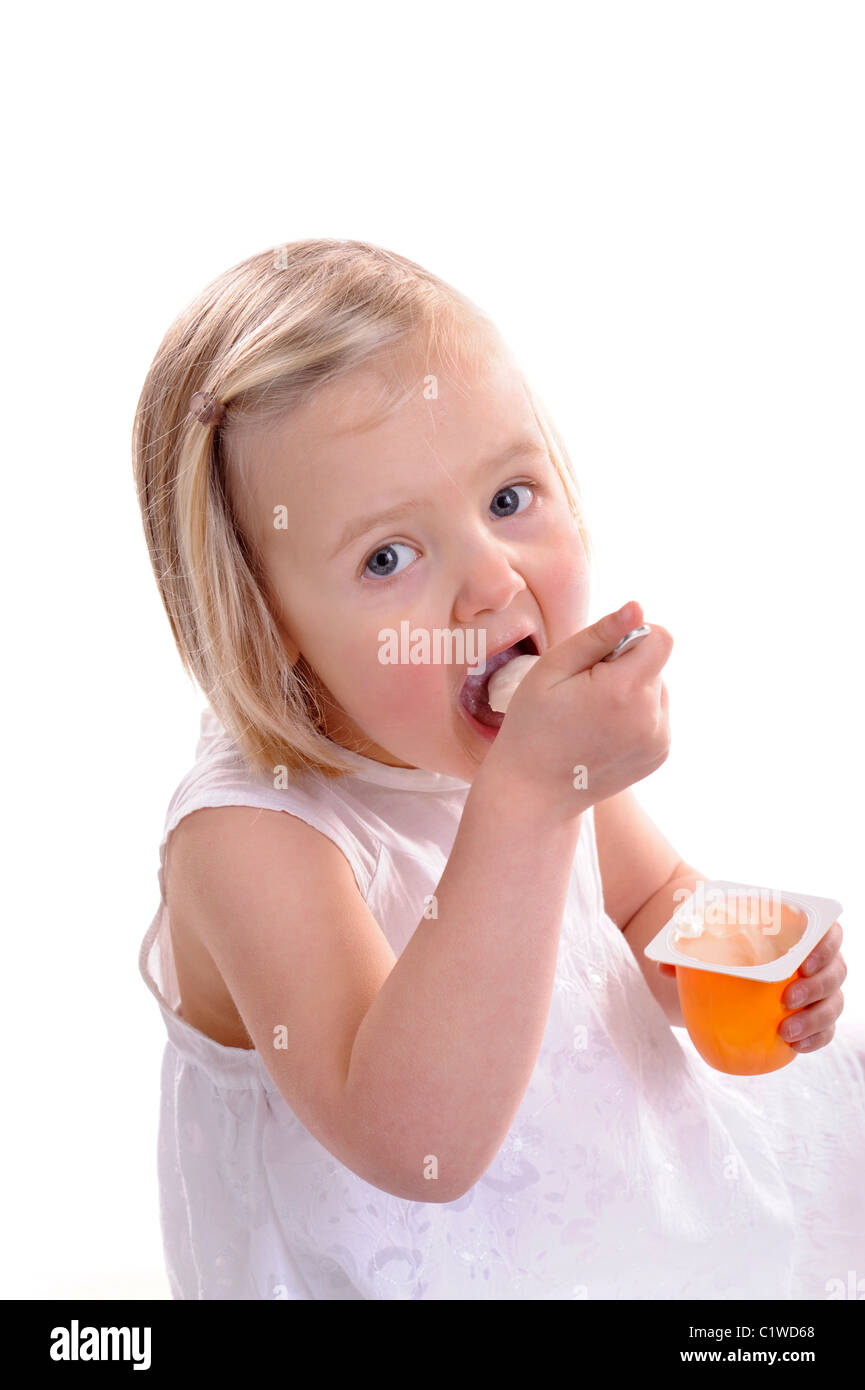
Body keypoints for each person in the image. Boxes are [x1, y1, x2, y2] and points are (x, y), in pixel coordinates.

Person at [132, 238, 864, 1300]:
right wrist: (527, 801)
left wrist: (743, 967)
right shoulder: (251, 840)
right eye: (388, 556)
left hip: (591, 1217)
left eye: (511, 498)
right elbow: (412, 1139)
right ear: (267, 624)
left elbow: (650, 902)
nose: (489, 580)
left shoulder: (526, 752)